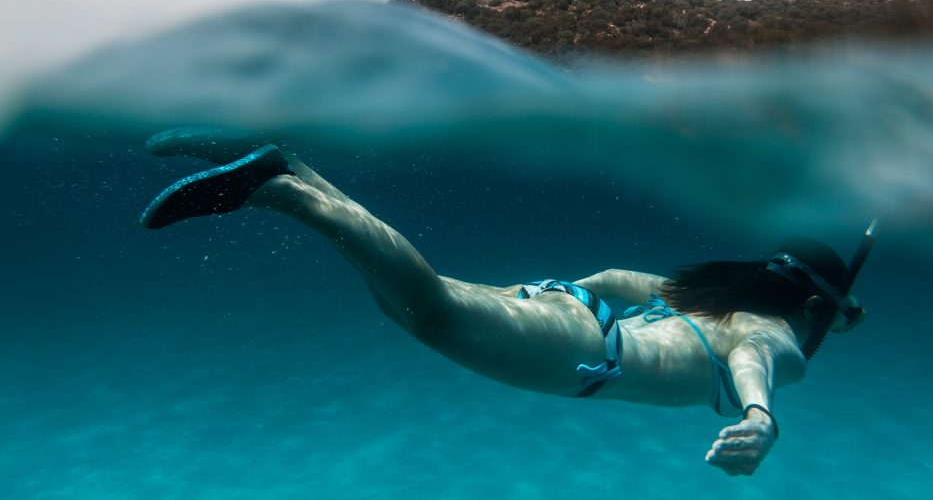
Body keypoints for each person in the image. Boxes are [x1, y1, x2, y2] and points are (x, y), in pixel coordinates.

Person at [139, 128, 873, 477]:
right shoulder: (777, 337)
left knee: (409, 306)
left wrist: (561, 298)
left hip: (575, 311)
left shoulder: (717, 297)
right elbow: (755, 361)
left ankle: (295, 165)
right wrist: (761, 418)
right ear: (812, 305)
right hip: (588, 353)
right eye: (833, 317)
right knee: (429, 313)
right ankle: (279, 191)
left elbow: (618, 274)